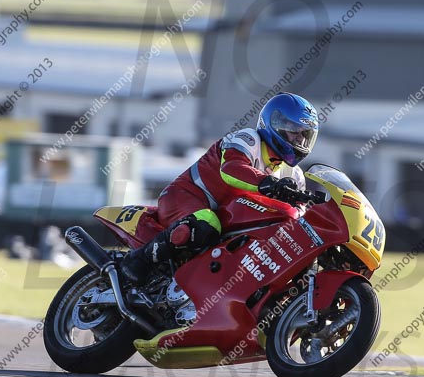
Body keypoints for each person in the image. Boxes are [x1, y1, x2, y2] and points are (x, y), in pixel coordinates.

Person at [120, 92, 319, 285]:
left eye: (304, 135)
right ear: (274, 123)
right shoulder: (249, 139)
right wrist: (269, 184)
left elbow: (298, 215)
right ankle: (139, 261)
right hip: (187, 197)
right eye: (294, 131)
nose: (299, 140)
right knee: (206, 224)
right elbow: (232, 169)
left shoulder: (294, 175)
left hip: (229, 217)